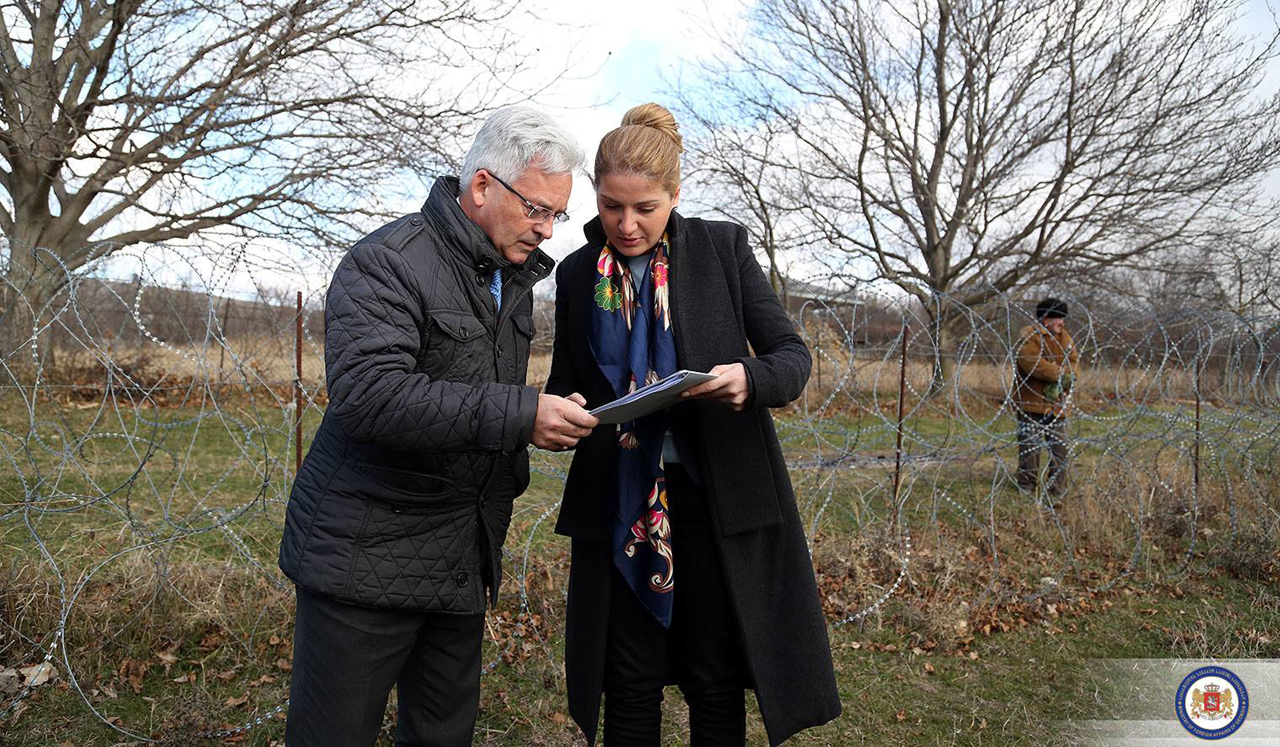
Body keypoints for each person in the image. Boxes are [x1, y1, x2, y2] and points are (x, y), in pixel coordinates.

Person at [277, 106, 598, 746]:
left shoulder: (514, 279)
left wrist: (548, 409)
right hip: (365, 560)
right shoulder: (387, 263)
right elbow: (369, 395)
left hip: (460, 556)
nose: (547, 229)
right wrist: (521, 413)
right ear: (482, 186)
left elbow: (477, 393)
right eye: (537, 209)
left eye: (556, 215)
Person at [545, 103, 840, 747]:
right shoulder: (574, 275)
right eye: (611, 206)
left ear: (675, 195)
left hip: (716, 499)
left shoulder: (721, 250)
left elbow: (791, 359)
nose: (625, 225)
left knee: (713, 674)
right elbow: (565, 378)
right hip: (619, 502)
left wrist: (748, 380)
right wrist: (565, 403)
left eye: (645, 208)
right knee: (628, 679)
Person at [1013, 297, 1079, 500]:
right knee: (1030, 449)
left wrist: (1066, 377)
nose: (1062, 323)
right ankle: (1027, 486)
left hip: (1057, 405)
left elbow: (1074, 363)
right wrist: (1060, 375)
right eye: (1058, 318)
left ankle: (1056, 490)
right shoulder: (1029, 337)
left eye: (1063, 319)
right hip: (1031, 403)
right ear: (1045, 318)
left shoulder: (1065, 338)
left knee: (1060, 450)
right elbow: (1031, 363)